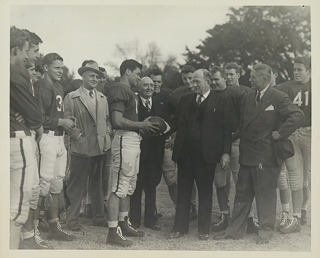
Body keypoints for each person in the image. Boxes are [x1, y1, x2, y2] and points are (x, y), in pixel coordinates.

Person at [213, 63, 304, 244]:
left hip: (266, 155)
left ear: (265, 78)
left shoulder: (278, 97)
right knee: (242, 194)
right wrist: (227, 139)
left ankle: (265, 232)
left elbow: (298, 115)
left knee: (265, 195)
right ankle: (234, 231)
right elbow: (242, 125)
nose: (249, 79)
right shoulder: (247, 98)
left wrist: (280, 133)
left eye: (253, 77)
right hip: (247, 153)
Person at [169, 69, 232, 241]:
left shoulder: (221, 101)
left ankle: (203, 230)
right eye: (192, 81)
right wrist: (163, 129)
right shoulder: (185, 100)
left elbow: (227, 130)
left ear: (208, 81)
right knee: (183, 192)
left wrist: (226, 153)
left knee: (205, 192)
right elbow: (176, 123)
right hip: (185, 155)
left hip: (207, 156)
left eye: (197, 81)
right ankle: (179, 228)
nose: (192, 84)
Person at [106, 59, 159, 246]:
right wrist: (141, 125)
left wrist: (140, 128)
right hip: (124, 139)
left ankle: (123, 222)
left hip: (132, 139)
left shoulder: (130, 92)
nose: (139, 77)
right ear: (127, 71)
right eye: (137, 73)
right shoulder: (120, 88)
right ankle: (112, 231)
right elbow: (117, 120)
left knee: (128, 185)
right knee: (118, 187)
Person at [33, 53, 77, 241]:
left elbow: (54, 116)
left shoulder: (58, 86)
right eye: (57, 67)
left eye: (62, 67)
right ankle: (32, 230)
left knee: (57, 184)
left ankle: (53, 225)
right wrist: (61, 121)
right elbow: (37, 119)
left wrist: (66, 122)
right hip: (47, 138)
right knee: (42, 185)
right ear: (45, 67)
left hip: (58, 140)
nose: (61, 70)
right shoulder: (41, 85)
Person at [64, 61, 111, 230]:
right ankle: (72, 220)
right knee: (77, 185)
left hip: (99, 146)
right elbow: (68, 121)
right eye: (91, 75)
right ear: (82, 76)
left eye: (97, 76)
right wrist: (79, 138)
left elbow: (106, 120)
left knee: (98, 184)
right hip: (81, 148)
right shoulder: (72, 97)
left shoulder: (102, 98)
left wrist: (107, 136)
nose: (95, 79)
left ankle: (98, 216)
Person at [10, 26, 44, 249]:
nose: (28, 56)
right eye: (25, 51)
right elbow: (35, 115)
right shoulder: (14, 73)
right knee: (16, 208)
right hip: (16, 138)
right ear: (14, 49)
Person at [209, 66, 247, 232]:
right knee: (220, 181)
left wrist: (230, 138)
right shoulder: (210, 95)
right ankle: (225, 214)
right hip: (217, 144)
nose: (214, 82)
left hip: (235, 141)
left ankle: (243, 216)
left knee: (240, 179)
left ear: (225, 78)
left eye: (217, 79)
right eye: (212, 80)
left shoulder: (237, 93)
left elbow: (244, 120)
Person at [130, 77, 170, 231]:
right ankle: (134, 220)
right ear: (138, 86)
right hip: (138, 150)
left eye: (151, 85)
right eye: (145, 85)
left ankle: (151, 220)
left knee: (152, 185)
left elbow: (169, 124)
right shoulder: (133, 104)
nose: (149, 88)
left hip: (155, 151)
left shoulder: (160, 105)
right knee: (136, 185)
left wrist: (165, 130)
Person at [276, 56, 311, 232]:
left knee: (311, 177)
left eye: (300, 69)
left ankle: (304, 209)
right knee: (296, 177)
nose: (296, 72)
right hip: (293, 133)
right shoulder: (287, 86)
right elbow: (271, 90)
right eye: (294, 69)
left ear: (309, 71)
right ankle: (296, 217)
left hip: (312, 134)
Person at [149, 68, 178, 208]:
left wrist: (173, 135)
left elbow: (179, 118)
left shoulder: (169, 96)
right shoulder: (143, 95)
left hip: (165, 142)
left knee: (171, 178)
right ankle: (152, 212)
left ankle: (180, 211)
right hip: (149, 143)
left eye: (158, 81)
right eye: (153, 81)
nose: (155, 84)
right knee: (151, 179)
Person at [172, 64, 198, 220]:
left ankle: (197, 205)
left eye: (191, 78)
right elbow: (175, 119)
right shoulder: (177, 94)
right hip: (182, 140)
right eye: (185, 79)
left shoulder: (202, 91)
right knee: (182, 176)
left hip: (198, 140)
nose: (188, 82)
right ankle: (189, 206)